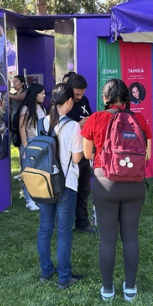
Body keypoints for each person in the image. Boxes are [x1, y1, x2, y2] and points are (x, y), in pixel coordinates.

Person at [80, 79, 151, 301]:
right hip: (135, 185)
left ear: (105, 98)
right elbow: (147, 155)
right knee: (130, 238)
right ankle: (130, 288)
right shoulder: (138, 119)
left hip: (105, 183)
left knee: (108, 239)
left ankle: (108, 289)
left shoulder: (95, 119)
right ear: (127, 98)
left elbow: (86, 155)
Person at [36, 85, 83, 288]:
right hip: (66, 184)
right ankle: (64, 278)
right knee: (64, 231)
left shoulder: (42, 122)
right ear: (70, 101)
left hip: (45, 183)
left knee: (45, 228)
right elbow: (77, 157)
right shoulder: (73, 126)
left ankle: (46, 270)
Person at [66, 72, 97, 235]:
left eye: (81, 94)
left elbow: (90, 119)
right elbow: (62, 129)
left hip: (85, 152)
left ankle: (82, 223)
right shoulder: (62, 104)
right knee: (70, 192)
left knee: (84, 190)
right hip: (69, 155)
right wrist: (80, 124)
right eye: (77, 94)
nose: (79, 97)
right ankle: (65, 223)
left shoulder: (84, 100)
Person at [16, 82, 44, 210]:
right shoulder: (26, 109)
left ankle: (35, 197)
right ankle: (29, 200)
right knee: (28, 171)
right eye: (41, 93)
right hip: (30, 142)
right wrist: (26, 147)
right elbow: (22, 129)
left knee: (38, 171)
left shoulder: (40, 107)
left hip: (40, 142)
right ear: (35, 95)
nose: (44, 95)